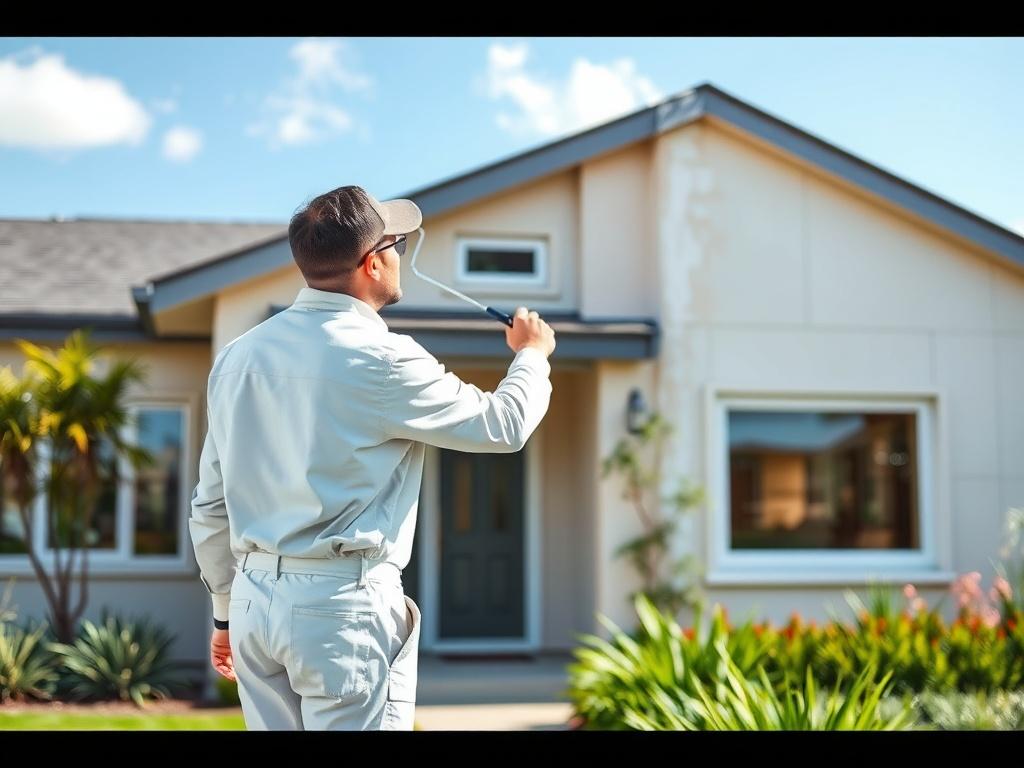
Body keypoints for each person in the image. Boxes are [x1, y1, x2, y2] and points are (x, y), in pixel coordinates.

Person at [188, 185, 556, 730]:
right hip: (340, 609)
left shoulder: (237, 358)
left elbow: (212, 501)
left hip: (252, 604)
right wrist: (532, 355)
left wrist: (223, 612)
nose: (400, 257)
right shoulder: (385, 358)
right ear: (372, 262)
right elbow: (503, 425)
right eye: (397, 247)